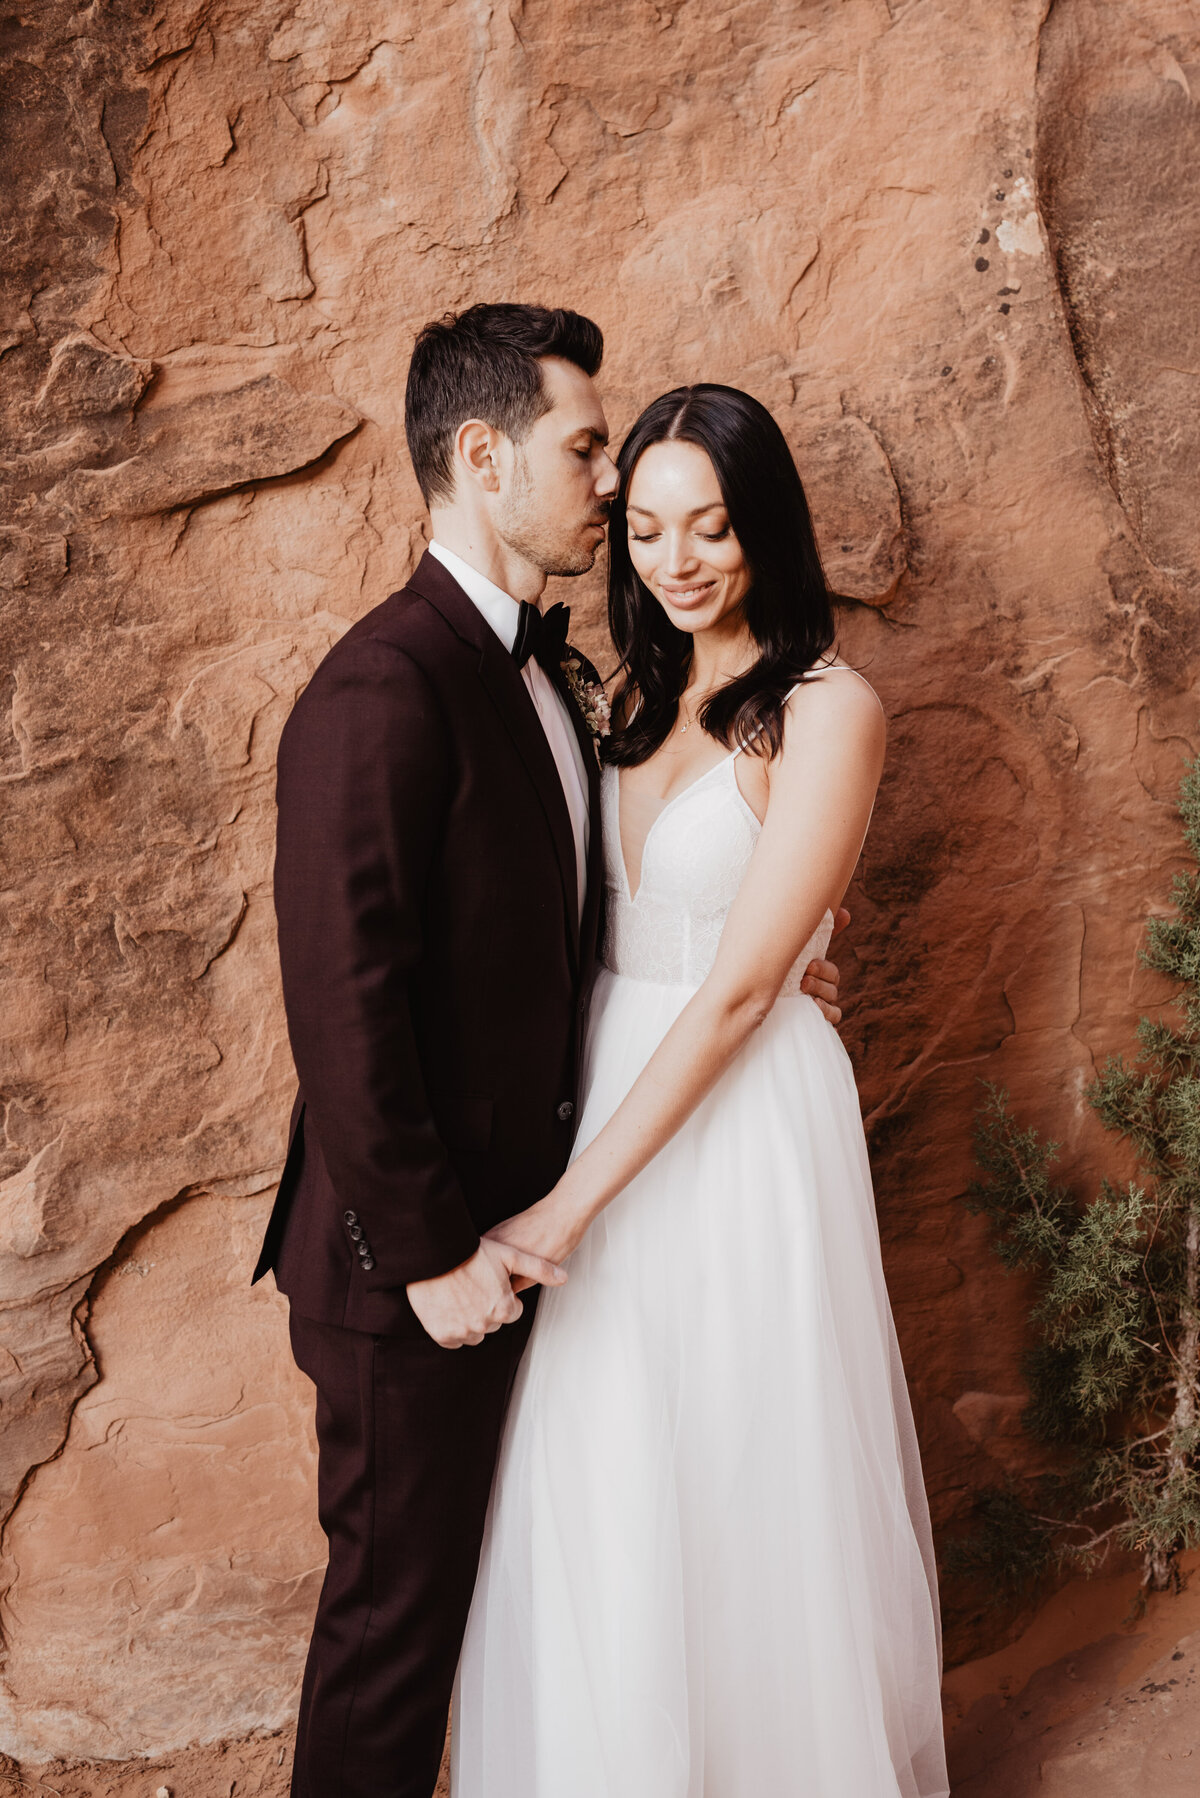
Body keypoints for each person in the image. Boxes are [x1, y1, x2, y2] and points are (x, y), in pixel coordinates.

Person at [252, 309, 846, 1798]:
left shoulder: (566, 681)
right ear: (481, 456)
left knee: (559, 1579)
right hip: (426, 1261)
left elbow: (580, 929)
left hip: (553, 1231)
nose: (605, 483)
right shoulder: (383, 685)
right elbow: (341, 997)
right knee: (392, 1645)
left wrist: (772, 970)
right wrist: (431, 1247)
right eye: (589, 451)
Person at [454, 384, 949, 1797]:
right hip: (614, 1076)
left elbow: (741, 987)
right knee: (603, 1458)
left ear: (765, 527)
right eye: (653, 529)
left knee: (742, 1453)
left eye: (714, 527)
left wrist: (567, 1207)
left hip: (736, 1116)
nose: (678, 561)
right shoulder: (623, 696)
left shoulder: (825, 708)